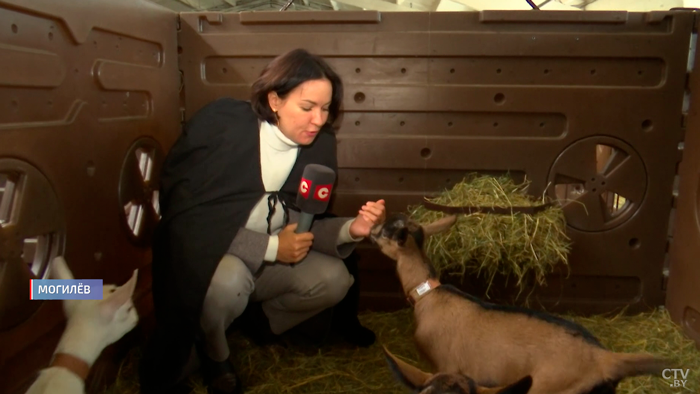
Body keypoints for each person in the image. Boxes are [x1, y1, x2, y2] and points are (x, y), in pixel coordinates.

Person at [138, 48, 386, 394]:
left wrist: (352, 228)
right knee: (225, 284)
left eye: (326, 109)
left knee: (335, 279)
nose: (318, 120)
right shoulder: (223, 131)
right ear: (274, 100)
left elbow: (307, 220)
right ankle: (216, 355)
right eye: (307, 107)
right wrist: (272, 247)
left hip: (266, 267)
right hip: (218, 260)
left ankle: (250, 325)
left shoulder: (318, 147)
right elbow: (192, 226)